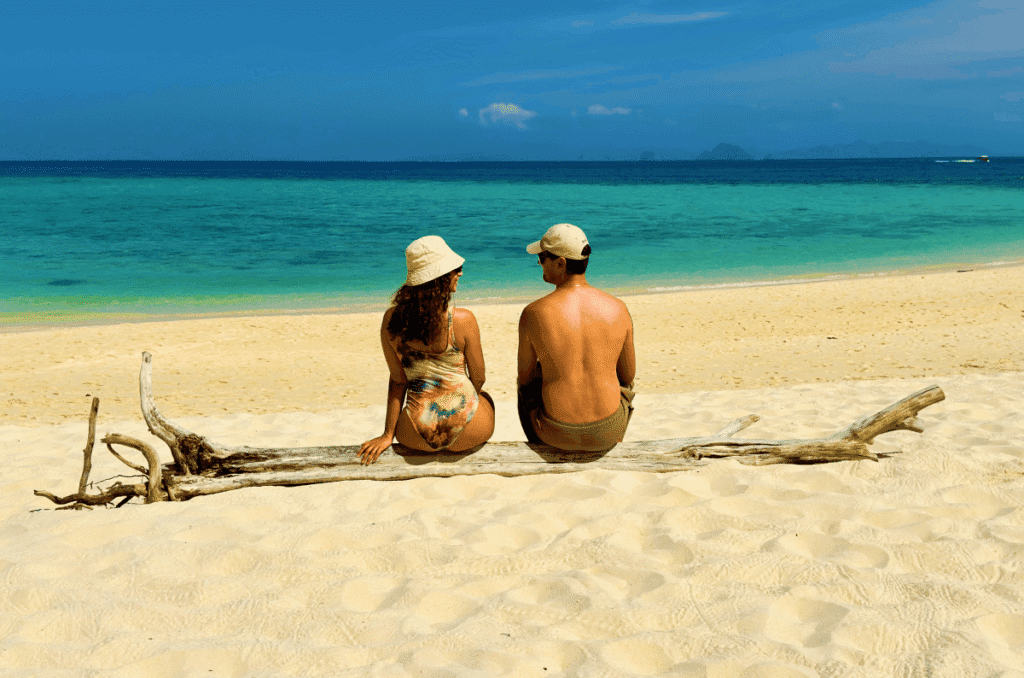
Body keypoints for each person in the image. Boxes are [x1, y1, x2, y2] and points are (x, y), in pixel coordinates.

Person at [358, 236, 495, 464]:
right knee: (486, 398)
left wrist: (387, 435)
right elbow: (479, 378)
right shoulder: (463, 319)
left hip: (414, 433)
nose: (460, 273)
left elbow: (398, 380)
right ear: (440, 278)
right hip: (471, 429)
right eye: (456, 269)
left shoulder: (392, 320)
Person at [517, 223, 636, 451]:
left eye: (542, 258)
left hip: (554, 433)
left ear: (560, 263)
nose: (539, 264)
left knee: (525, 383)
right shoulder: (618, 308)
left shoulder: (533, 313)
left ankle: (540, 441)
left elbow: (525, 378)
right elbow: (628, 375)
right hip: (608, 432)